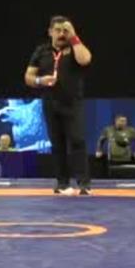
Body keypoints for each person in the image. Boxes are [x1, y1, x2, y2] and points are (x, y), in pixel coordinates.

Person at [24, 16, 93, 195]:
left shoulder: (74, 47)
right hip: (50, 102)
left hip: (73, 102)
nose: (62, 34)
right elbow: (28, 77)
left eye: (65, 30)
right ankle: (62, 183)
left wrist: (74, 36)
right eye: (58, 30)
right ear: (50, 32)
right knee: (57, 143)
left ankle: (83, 183)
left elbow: (85, 60)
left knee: (77, 140)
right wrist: (40, 80)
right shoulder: (41, 51)